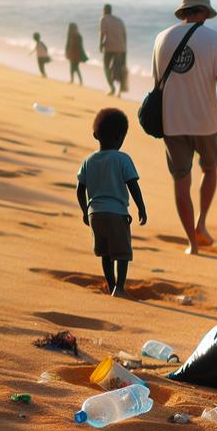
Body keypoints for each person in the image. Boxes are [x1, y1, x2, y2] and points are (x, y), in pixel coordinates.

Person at [151, 0, 217, 255]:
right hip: (207, 123)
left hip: (172, 123)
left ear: (183, 11)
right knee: (209, 170)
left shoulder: (161, 38)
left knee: (181, 181)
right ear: (204, 12)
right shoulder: (215, 40)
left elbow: (157, 82)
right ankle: (201, 224)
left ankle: (192, 243)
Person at [75, 108, 147, 298]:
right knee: (121, 252)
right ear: (120, 137)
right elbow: (133, 185)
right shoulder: (122, 159)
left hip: (95, 214)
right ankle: (120, 288)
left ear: (95, 135)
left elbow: (80, 189)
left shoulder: (88, 160)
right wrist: (141, 208)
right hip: (116, 213)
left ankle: (111, 285)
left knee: (105, 253)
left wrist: (85, 211)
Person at [99, 4, 128, 97]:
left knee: (106, 66)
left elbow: (102, 34)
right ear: (111, 10)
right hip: (122, 48)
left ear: (104, 10)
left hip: (110, 47)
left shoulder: (104, 19)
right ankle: (119, 92)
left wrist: (100, 45)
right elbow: (124, 35)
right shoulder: (119, 20)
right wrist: (124, 48)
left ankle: (112, 88)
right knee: (121, 69)